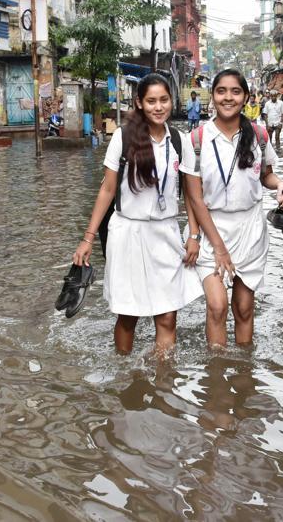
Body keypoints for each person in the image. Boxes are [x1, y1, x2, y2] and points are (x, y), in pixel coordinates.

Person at [72, 74, 203, 356]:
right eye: (151, 101)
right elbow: (107, 190)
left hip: (166, 234)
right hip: (127, 233)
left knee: (167, 316)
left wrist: (193, 235)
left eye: (164, 100)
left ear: (172, 101)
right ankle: (125, 375)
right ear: (140, 103)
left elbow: (193, 195)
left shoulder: (181, 142)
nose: (158, 107)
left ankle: (163, 382)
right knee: (128, 316)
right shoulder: (123, 137)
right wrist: (88, 238)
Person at [181, 69, 283, 348]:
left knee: (244, 308)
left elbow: (266, 175)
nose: (228, 98)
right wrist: (215, 245)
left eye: (235, 92)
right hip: (211, 231)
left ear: (245, 97)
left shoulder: (258, 134)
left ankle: (245, 372)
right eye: (221, 91)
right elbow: (195, 198)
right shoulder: (195, 140)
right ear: (213, 97)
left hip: (250, 230)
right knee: (218, 306)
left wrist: (280, 185)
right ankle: (217, 376)